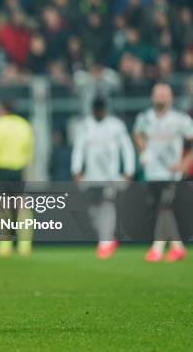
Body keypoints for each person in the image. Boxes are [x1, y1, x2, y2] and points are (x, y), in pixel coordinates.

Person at [133, 83, 193, 262]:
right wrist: (142, 151)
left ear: (171, 98)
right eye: (157, 94)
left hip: (171, 172)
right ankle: (177, 247)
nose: (160, 97)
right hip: (152, 172)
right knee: (162, 209)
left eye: (164, 94)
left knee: (164, 206)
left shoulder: (180, 119)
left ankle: (157, 248)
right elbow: (137, 134)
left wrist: (184, 164)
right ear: (152, 97)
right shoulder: (145, 118)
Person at [71, 97, 135, 259]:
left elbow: (126, 148)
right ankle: (106, 238)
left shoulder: (116, 126)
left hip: (110, 175)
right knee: (93, 209)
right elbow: (79, 148)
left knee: (107, 204)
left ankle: (105, 242)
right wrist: (76, 169)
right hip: (91, 175)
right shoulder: (85, 125)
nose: (98, 111)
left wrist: (129, 170)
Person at [0, 99, 34, 256]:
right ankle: (25, 245)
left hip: (1, 169)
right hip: (19, 169)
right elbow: (29, 149)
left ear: (2, 109)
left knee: (2, 208)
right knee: (21, 207)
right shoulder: (24, 125)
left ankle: (5, 245)